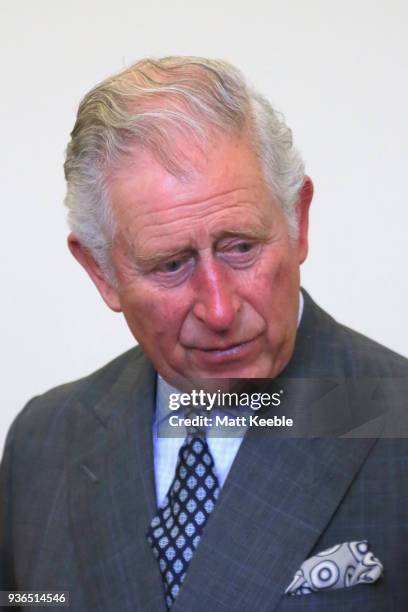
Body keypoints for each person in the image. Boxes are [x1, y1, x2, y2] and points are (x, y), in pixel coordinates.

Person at [0, 56, 407, 611]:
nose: (218, 309)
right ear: (101, 272)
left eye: (241, 246)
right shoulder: (42, 442)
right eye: (171, 265)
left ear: (298, 221)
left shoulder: (395, 415)